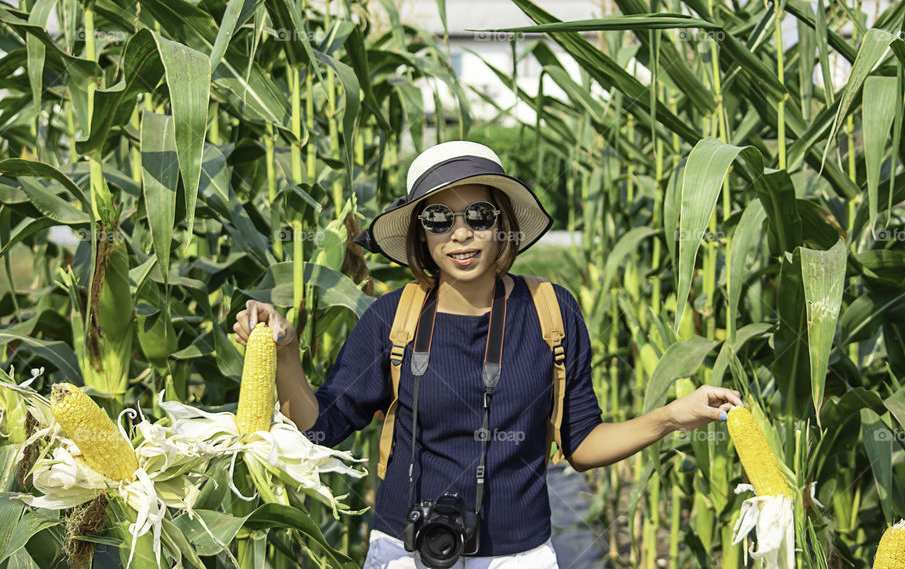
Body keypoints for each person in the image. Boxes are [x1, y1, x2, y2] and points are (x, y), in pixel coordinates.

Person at [232, 141, 742, 569]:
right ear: (420, 234)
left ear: (502, 225)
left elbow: (581, 445)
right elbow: (318, 430)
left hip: (518, 556)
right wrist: (286, 355)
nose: (461, 233)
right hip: (405, 551)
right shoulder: (394, 318)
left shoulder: (551, 312)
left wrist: (672, 416)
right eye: (438, 218)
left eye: (478, 215)